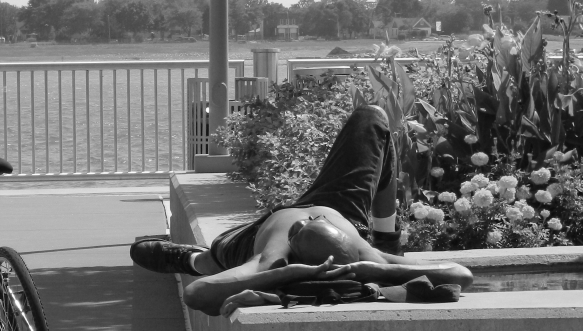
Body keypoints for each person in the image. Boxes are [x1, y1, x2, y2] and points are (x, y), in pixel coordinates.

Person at [130, 104, 473, 317]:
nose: (312, 219)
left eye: (309, 225)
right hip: (340, 206)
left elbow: (197, 294)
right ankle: (387, 236)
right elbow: (461, 274)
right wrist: (380, 265)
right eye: (317, 222)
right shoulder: (366, 255)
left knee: (218, 255)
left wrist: (280, 275)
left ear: (294, 244)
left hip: (254, 238)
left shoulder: (273, 259)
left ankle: (192, 259)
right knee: (372, 120)